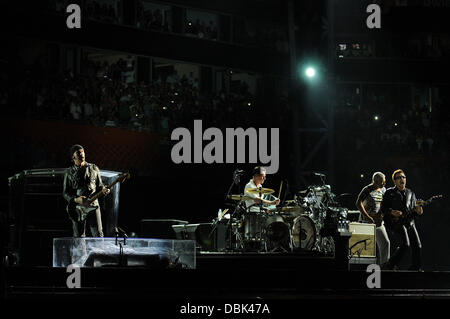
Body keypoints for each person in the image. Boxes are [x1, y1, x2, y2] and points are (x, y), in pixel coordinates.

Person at [380, 169, 424, 271]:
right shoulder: (389, 192)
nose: (402, 179)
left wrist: (419, 210)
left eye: (403, 177)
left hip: (410, 222)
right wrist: (392, 212)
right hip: (397, 223)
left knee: (418, 246)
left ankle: (415, 268)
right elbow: (383, 209)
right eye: (399, 178)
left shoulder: (411, 193)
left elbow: (416, 212)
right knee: (406, 245)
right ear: (394, 181)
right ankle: (389, 264)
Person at [63, 144, 110, 237]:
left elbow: (100, 186)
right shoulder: (69, 172)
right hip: (78, 208)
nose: (82, 154)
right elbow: (65, 193)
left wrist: (105, 190)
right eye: (79, 153)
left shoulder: (94, 168)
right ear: (73, 156)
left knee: (98, 235)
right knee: (78, 237)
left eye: (83, 152)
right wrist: (76, 200)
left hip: (93, 205)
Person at [355, 172, 390, 267]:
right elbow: (358, 203)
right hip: (366, 222)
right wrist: (367, 216)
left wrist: (383, 214)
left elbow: (384, 203)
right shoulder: (367, 189)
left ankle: (384, 265)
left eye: (384, 182)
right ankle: (363, 268)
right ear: (376, 181)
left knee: (385, 243)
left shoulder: (383, 190)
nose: (384, 184)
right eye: (382, 182)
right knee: (366, 248)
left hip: (378, 222)